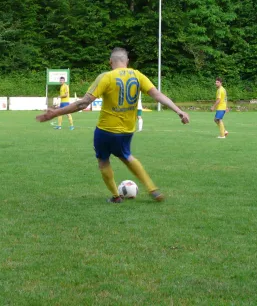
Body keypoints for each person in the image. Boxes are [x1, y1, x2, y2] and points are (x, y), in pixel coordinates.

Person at [37, 48, 190, 203]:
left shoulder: (106, 77)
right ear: (127, 62)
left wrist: (56, 113)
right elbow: (157, 95)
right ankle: (152, 189)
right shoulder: (138, 76)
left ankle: (116, 196)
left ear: (110, 62)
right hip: (127, 131)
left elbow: (83, 103)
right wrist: (179, 111)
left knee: (103, 160)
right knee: (126, 156)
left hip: (106, 130)